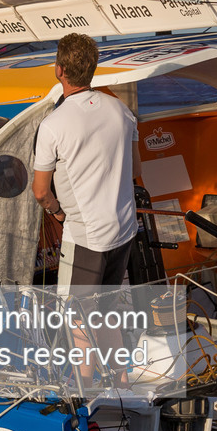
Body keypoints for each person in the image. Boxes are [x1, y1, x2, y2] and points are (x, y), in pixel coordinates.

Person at [32, 33, 140, 289]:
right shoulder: (122, 110)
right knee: (107, 307)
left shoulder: (52, 125)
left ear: (59, 70)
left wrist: (56, 211)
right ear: (92, 70)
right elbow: (136, 169)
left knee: (76, 318)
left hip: (86, 239)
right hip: (124, 229)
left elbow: (40, 192)